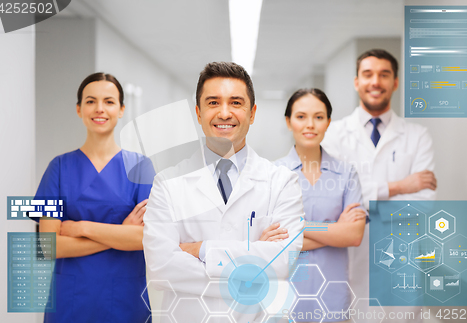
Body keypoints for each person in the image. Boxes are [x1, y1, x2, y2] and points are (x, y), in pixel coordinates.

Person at [143, 62, 305, 322]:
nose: (225, 113)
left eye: (236, 103)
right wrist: (253, 264)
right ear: (198, 112)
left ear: (252, 113)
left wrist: (203, 250)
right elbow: (162, 267)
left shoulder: (282, 182)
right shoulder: (167, 183)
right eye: (213, 102)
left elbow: (283, 261)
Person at [321, 49, 437, 323]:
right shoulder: (334, 134)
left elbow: (423, 203)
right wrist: (399, 186)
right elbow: (333, 199)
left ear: (395, 82)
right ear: (356, 82)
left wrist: (361, 205)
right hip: (349, 256)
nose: (376, 81)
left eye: (384, 75)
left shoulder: (418, 136)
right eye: (368, 74)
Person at [34, 73, 155, 322]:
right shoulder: (56, 167)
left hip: (125, 298)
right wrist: (120, 233)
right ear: (79, 109)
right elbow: (47, 246)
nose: (99, 108)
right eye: (90, 101)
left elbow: (145, 238)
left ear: (121, 110)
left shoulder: (142, 167)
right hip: (70, 300)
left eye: (109, 101)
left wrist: (81, 227)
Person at [274, 89, 366, 323]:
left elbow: (354, 235)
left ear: (328, 123)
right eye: (301, 116)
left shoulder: (347, 174)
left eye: (319, 117)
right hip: (284, 302)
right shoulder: (272, 175)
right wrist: (335, 230)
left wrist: (296, 227)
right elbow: (272, 242)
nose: (310, 125)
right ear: (288, 122)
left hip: (333, 301)